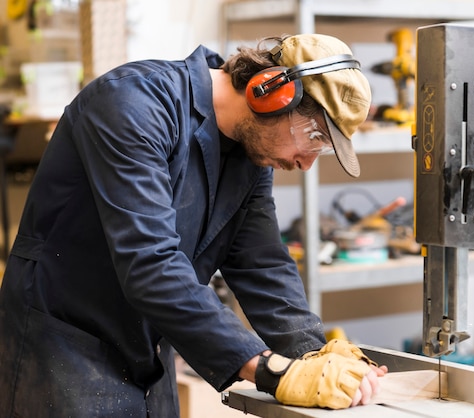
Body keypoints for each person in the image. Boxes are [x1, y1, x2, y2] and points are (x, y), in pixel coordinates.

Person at [0, 33, 388, 417]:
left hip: (148, 352)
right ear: (269, 92)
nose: (305, 163)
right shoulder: (133, 104)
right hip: (65, 351)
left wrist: (315, 355)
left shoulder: (249, 153)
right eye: (313, 137)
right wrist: (269, 369)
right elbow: (151, 264)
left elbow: (261, 263)